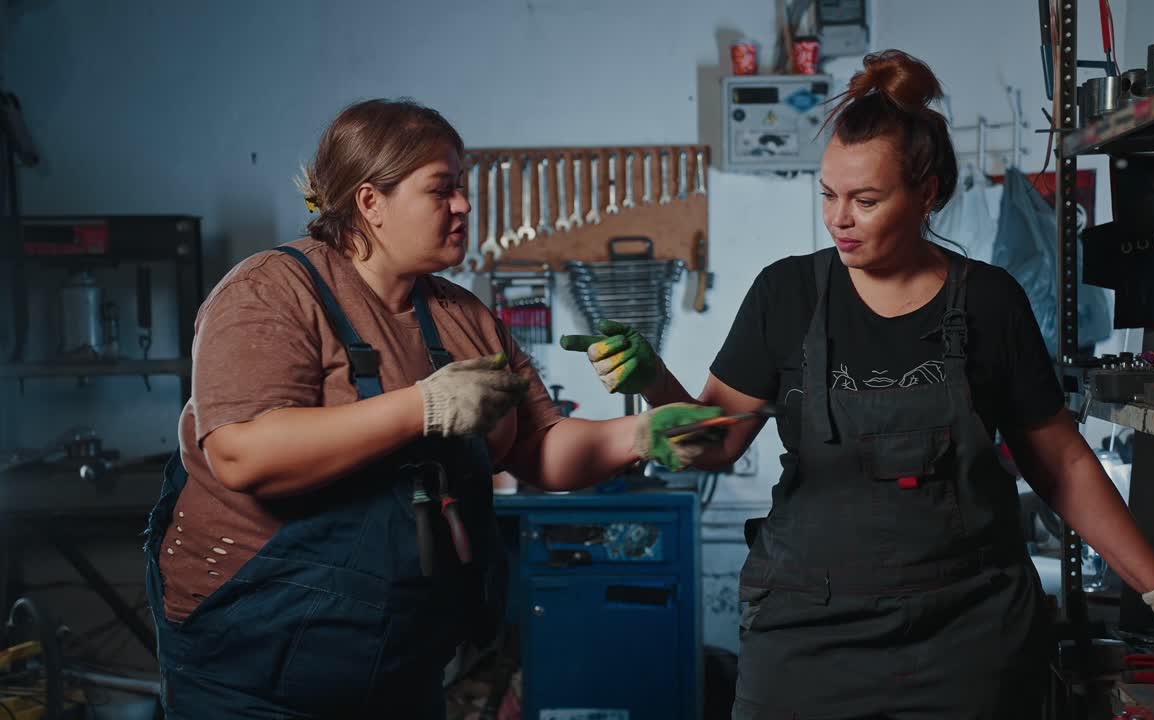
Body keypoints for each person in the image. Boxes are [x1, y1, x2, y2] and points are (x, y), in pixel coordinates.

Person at [564, 50, 1154, 718]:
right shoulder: (785, 294)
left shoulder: (990, 302)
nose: (839, 218)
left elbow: (1064, 466)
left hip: (967, 637)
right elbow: (715, 441)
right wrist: (655, 381)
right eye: (828, 195)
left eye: (865, 200)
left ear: (926, 193)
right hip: (806, 634)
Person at [142, 98, 723, 719]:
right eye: (441, 190)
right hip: (253, 668)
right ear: (371, 202)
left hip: (399, 664)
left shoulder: (463, 317)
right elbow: (242, 453)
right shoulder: (271, 290)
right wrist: (423, 406)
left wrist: (639, 434)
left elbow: (538, 445)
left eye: (462, 187)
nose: (464, 205)